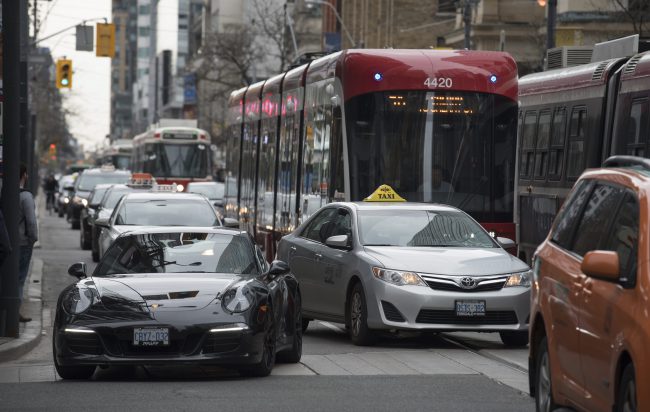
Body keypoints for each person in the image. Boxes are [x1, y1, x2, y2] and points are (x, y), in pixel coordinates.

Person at [18, 164, 38, 322]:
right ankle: (15, 312)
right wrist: (33, 239)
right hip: (23, 243)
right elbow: (31, 222)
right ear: (24, 175)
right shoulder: (26, 196)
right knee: (19, 278)